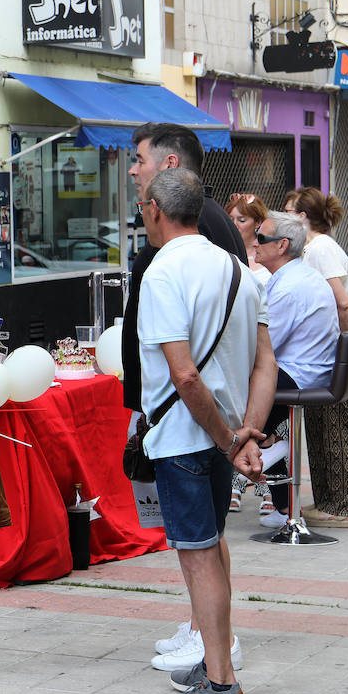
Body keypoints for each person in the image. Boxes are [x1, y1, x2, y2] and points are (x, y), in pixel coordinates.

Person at [137, 169, 275, 694]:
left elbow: (185, 376)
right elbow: (266, 362)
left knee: (198, 559)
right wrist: (246, 432)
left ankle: (222, 685)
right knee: (211, 549)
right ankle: (214, 664)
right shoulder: (241, 271)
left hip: (187, 438)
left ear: (154, 209)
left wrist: (227, 440)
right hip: (223, 435)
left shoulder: (162, 272)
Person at [124, 123, 251, 666]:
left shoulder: (194, 244)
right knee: (200, 543)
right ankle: (204, 635)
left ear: (169, 168)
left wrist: (230, 436)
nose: (133, 170)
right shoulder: (196, 237)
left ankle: (216, 658)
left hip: (193, 422)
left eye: (140, 160)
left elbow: (194, 367)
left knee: (201, 546)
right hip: (199, 419)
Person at [284, 187, 348, 528]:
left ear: (302, 217)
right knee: (321, 427)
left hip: (337, 351)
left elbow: (342, 303)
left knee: (336, 430)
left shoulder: (321, 249)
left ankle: (342, 506)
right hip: (328, 351)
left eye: (288, 212)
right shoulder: (314, 249)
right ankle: (327, 500)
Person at [253, 212, 340, 528]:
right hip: (304, 371)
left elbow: (264, 348)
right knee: (253, 408)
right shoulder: (297, 277)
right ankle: (270, 453)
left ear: (282, 246)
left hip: (299, 374)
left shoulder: (290, 286)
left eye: (261, 237)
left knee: (230, 396)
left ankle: (258, 453)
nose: (254, 242)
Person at [224, 192, 272, 516]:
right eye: (232, 218)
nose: (235, 225)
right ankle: (236, 486)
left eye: (242, 219)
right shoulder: (224, 261)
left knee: (261, 423)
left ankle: (267, 487)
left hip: (258, 357)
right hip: (234, 359)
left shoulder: (263, 268)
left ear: (256, 224)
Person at [226, 193, 271, 287]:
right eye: (230, 220)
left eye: (241, 220)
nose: (234, 225)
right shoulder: (222, 251)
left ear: (258, 222)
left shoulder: (270, 250)